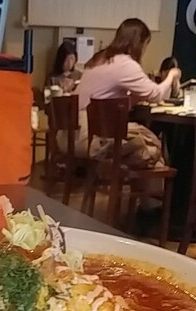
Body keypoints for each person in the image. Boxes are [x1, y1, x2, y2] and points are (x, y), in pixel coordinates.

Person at [58, 18, 181, 213]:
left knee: (144, 144)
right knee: (151, 144)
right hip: (92, 139)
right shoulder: (125, 64)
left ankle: (149, 205)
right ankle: (155, 208)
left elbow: (105, 102)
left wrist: (132, 100)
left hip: (71, 135)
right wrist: (172, 75)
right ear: (139, 42)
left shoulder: (98, 60)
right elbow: (157, 94)